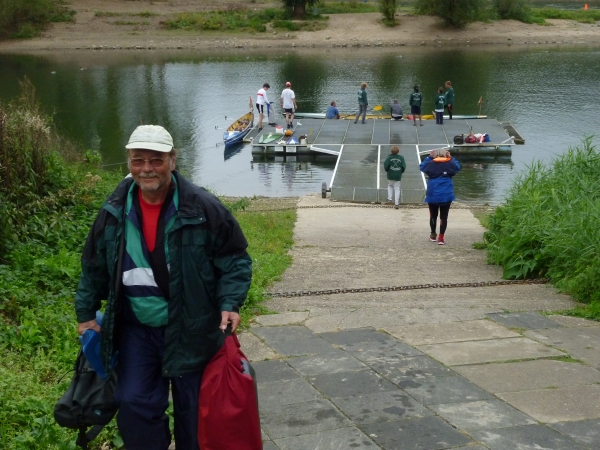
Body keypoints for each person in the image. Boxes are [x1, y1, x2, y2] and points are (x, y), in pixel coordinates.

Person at [74, 125, 253, 450]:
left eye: (155, 160)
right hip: (137, 331)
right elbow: (93, 264)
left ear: (172, 160)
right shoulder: (114, 210)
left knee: (196, 416)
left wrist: (230, 301)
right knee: (133, 404)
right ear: (129, 161)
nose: (146, 169)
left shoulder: (202, 207)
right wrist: (86, 314)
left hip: (193, 329)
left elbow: (234, 257)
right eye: (138, 160)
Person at [419, 147, 461, 245]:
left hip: (433, 193)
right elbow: (458, 167)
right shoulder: (450, 163)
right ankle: (441, 238)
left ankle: (433, 235)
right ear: (446, 154)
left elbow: (422, 166)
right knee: (444, 217)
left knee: (433, 215)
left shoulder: (430, 163)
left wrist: (429, 158)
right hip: (447, 194)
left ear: (434, 155)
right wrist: (451, 158)